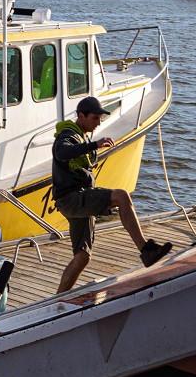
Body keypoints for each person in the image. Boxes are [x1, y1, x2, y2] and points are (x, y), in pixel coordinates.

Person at [52, 96, 172, 293]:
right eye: (95, 118)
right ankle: (146, 250)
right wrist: (94, 145)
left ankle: (57, 299)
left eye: (100, 118)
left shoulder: (82, 136)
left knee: (82, 257)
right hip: (71, 198)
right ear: (81, 116)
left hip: (77, 199)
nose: (99, 123)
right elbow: (61, 153)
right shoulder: (68, 135)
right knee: (121, 197)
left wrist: (92, 145)